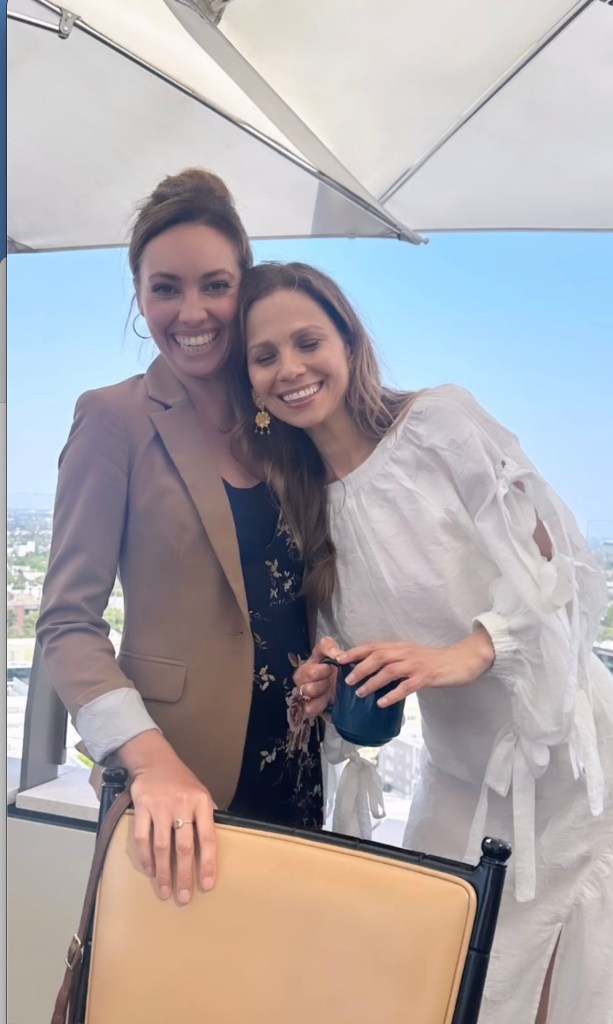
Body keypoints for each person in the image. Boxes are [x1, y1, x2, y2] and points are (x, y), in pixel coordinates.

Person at [235, 261, 613, 1024]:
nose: (291, 369)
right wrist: (331, 684)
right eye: (264, 355)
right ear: (248, 383)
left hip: (560, 767)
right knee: (444, 988)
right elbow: (374, 686)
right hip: (457, 780)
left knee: (551, 982)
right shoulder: (302, 508)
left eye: (307, 340)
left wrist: (468, 651)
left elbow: (566, 576)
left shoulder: (440, 424)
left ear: (348, 339)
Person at [36, 175, 330, 907]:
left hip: (295, 773)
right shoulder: (114, 419)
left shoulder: (284, 418)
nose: (191, 311)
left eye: (215, 285)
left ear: (245, 288)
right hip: (176, 787)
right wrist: (149, 762)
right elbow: (67, 625)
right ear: (140, 297)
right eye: (166, 288)